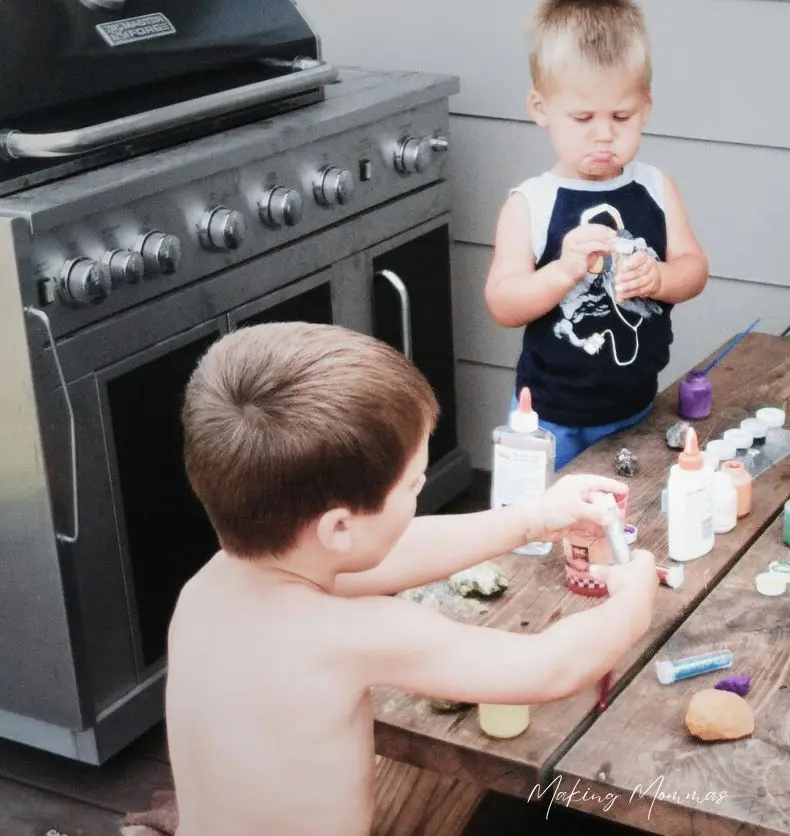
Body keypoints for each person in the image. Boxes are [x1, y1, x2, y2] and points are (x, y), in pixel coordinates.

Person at [166, 322, 658, 836]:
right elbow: (551, 667)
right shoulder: (353, 636)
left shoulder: (211, 585)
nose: (419, 493)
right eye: (413, 486)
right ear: (338, 527)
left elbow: (390, 553)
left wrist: (533, 518)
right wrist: (632, 603)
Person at [484, 0, 709, 470]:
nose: (603, 135)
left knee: (622, 528)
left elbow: (694, 269)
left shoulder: (655, 188)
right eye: (583, 119)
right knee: (536, 532)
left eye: (621, 117)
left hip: (634, 409)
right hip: (546, 418)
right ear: (541, 109)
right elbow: (504, 303)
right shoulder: (530, 203)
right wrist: (564, 271)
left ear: (645, 108)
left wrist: (660, 279)